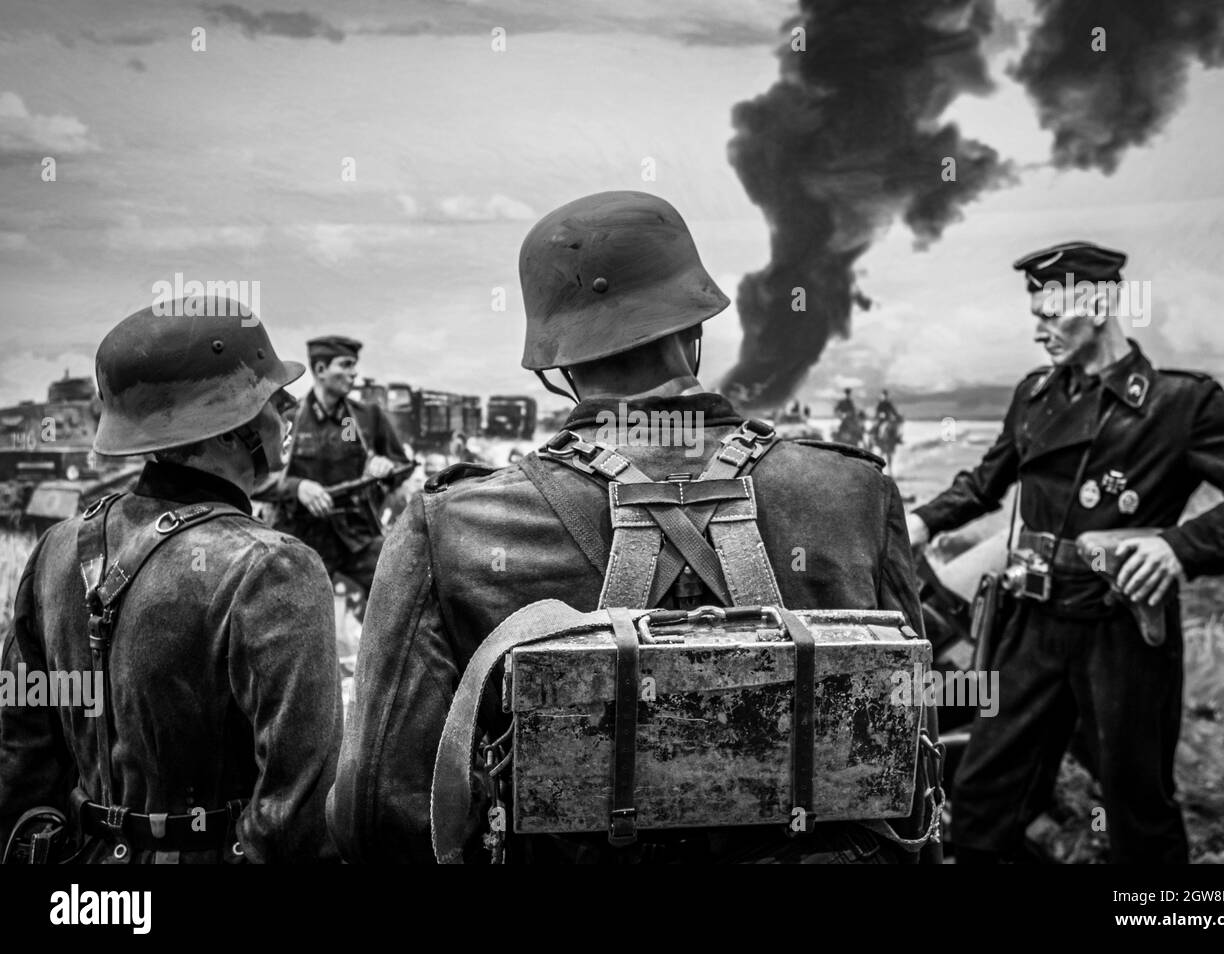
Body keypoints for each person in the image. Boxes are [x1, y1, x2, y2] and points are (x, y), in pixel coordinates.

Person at [329, 191, 941, 864]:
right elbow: (916, 766)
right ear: (695, 326)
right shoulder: (856, 494)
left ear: (558, 362)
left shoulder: (452, 526)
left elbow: (376, 814)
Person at [906, 241, 1224, 864]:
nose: (1038, 331)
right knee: (983, 795)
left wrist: (1180, 547)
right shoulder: (1035, 396)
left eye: (1050, 313)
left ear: (1096, 303)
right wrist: (921, 521)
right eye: (1033, 314)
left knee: (1137, 806)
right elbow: (987, 481)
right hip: (1030, 623)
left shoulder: (1180, 403)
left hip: (1120, 630)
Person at [0, 297, 342, 863]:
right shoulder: (274, 567)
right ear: (231, 426)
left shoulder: (56, 548)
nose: (285, 412)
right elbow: (299, 812)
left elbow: (21, 752)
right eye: (271, 399)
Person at [269, 335, 409, 596]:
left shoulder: (367, 418)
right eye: (345, 365)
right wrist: (297, 488)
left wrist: (386, 467)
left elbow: (403, 465)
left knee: (401, 584)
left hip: (355, 535)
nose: (354, 373)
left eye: (354, 365)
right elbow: (258, 479)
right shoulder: (291, 418)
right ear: (321, 370)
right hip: (302, 538)